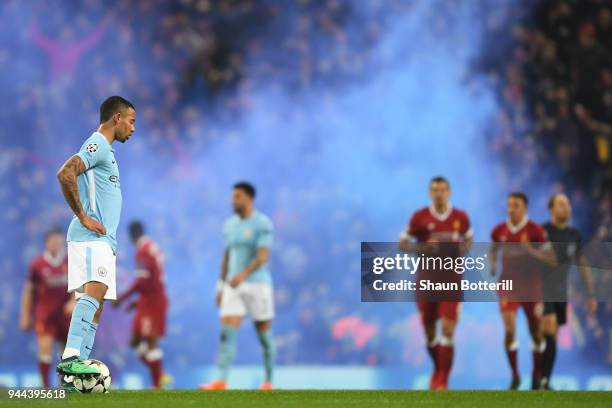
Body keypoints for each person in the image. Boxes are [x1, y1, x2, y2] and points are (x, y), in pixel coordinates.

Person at [54, 96, 135, 386]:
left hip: (102, 241)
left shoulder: (108, 151)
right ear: (117, 118)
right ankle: (71, 359)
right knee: (94, 293)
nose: (133, 128)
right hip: (90, 237)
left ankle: (74, 377)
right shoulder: (98, 144)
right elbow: (66, 173)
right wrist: (83, 216)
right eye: (131, 121)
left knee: (97, 304)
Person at [399, 176, 473, 390]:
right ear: (430, 193)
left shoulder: (460, 217)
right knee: (430, 334)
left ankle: (442, 380)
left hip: (452, 280)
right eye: (434, 190)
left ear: (449, 192)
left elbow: (469, 238)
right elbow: (402, 244)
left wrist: (462, 250)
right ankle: (437, 369)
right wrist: (422, 248)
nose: (439, 193)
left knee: (448, 330)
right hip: (426, 280)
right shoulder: (419, 217)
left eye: (442, 190)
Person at [200, 182, 276, 390]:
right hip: (233, 286)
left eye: (238, 197)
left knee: (264, 336)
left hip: (257, 285)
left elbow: (263, 257)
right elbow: (226, 258)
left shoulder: (262, 224)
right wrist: (220, 286)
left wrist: (242, 275)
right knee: (226, 334)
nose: (233, 201)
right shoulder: (229, 225)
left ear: (249, 198)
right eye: (233, 196)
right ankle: (222, 380)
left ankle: (269, 381)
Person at [489, 192, 557, 390]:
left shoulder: (536, 231)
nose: (511, 209)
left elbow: (552, 259)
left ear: (525, 208)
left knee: (536, 333)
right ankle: (515, 375)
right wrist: (492, 266)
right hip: (508, 285)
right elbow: (493, 248)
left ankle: (536, 375)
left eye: (516, 205)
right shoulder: (499, 230)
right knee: (509, 329)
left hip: (532, 287)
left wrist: (531, 251)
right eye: (509, 205)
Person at [539, 193, 597, 390]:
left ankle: (543, 380)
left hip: (561, 292)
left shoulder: (574, 235)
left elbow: (582, 264)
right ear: (551, 209)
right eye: (561, 204)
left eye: (568, 204)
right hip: (541, 289)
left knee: (552, 335)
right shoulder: (542, 232)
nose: (566, 208)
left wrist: (590, 294)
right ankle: (540, 379)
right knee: (548, 327)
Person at [114, 221, 170, 389]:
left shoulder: (142, 251)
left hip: (153, 301)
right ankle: (159, 375)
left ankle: (157, 385)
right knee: (135, 341)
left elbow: (141, 282)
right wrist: (138, 302)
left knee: (151, 342)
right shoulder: (152, 247)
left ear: (132, 235)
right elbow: (150, 281)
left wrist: (122, 298)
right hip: (149, 300)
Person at [20, 227, 73, 387]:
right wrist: (25, 315)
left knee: (66, 353)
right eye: (53, 241)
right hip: (46, 313)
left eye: (59, 240)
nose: (56, 244)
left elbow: (81, 286)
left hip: (65, 314)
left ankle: (63, 386)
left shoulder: (70, 261)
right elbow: (29, 291)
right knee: (45, 347)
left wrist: (74, 301)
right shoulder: (37, 264)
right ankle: (45, 387)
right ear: (46, 243)